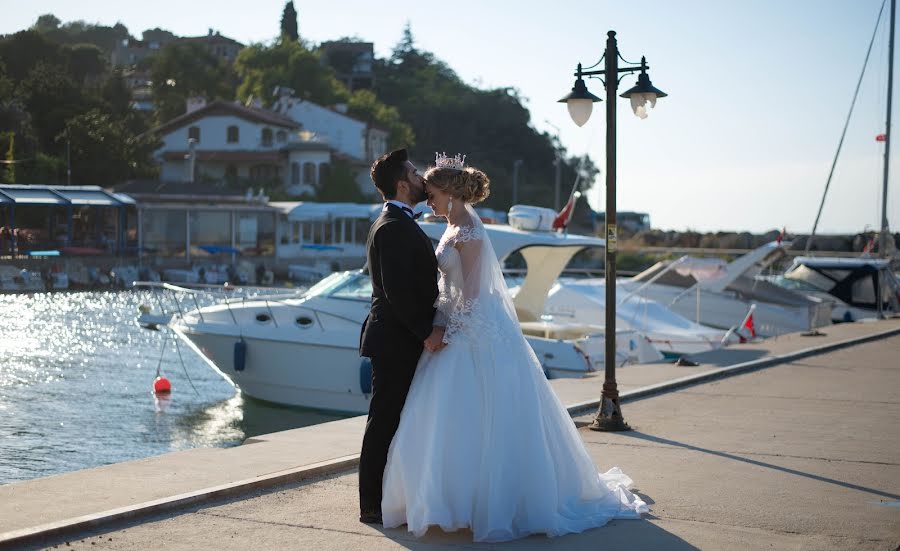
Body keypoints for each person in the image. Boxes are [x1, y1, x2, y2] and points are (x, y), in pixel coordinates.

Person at [380, 153, 648, 542]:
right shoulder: (454, 227)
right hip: (458, 325)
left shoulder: (469, 230)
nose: (429, 200)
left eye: (434, 193)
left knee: (481, 418)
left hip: (474, 332)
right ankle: (450, 501)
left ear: (452, 195)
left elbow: (470, 295)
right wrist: (439, 321)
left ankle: (484, 504)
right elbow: (449, 290)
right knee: (450, 420)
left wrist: (445, 330)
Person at [358, 148, 441, 525]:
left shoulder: (401, 221)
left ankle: (392, 496)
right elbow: (397, 291)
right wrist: (427, 332)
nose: (422, 177)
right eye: (414, 171)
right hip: (395, 339)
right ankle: (371, 505)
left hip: (401, 337)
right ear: (402, 183)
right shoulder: (392, 225)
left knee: (397, 419)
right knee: (385, 419)